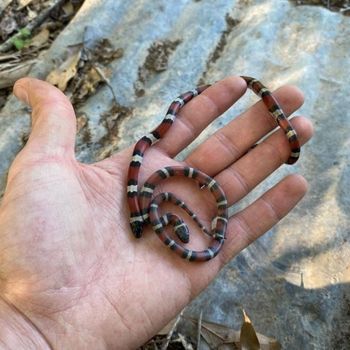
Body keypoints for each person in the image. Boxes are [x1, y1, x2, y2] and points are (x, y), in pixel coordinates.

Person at [0, 76, 313, 349]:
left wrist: (28, 330)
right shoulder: (151, 208)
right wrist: (26, 323)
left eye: (177, 230)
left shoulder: (157, 204)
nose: (180, 232)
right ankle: (263, 123)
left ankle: (250, 112)